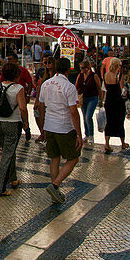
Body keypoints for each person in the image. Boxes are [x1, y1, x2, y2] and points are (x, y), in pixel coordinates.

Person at [37, 58, 81, 204]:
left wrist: (42, 126)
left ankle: (54, 193)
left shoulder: (46, 84)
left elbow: (41, 106)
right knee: (73, 158)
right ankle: (55, 185)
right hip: (63, 127)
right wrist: (79, 134)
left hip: (49, 125)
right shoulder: (69, 87)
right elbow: (73, 111)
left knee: (54, 158)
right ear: (68, 70)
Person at [0, 63, 29, 197]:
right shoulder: (18, 88)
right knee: (7, 155)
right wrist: (26, 122)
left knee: (9, 151)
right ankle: (0, 187)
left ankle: (13, 179)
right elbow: (22, 107)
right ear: (16, 74)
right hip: (13, 123)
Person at [99, 57, 128, 155]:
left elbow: (104, 88)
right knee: (120, 121)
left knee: (109, 121)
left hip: (109, 100)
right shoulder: (119, 76)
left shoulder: (106, 75)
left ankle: (107, 144)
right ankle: (123, 143)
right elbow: (122, 89)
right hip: (118, 101)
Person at [76, 59, 100, 142]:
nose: (81, 70)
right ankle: (87, 134)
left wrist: (100, 100)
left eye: (82, 68)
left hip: (93, 97)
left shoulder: (94, 76)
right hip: (83, 98)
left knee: (88, 116)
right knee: (84, 116)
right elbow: (76, 85)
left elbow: (99, 88)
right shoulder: (80, 75)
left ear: (87, 68)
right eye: (80, 68)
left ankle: (91, 135)